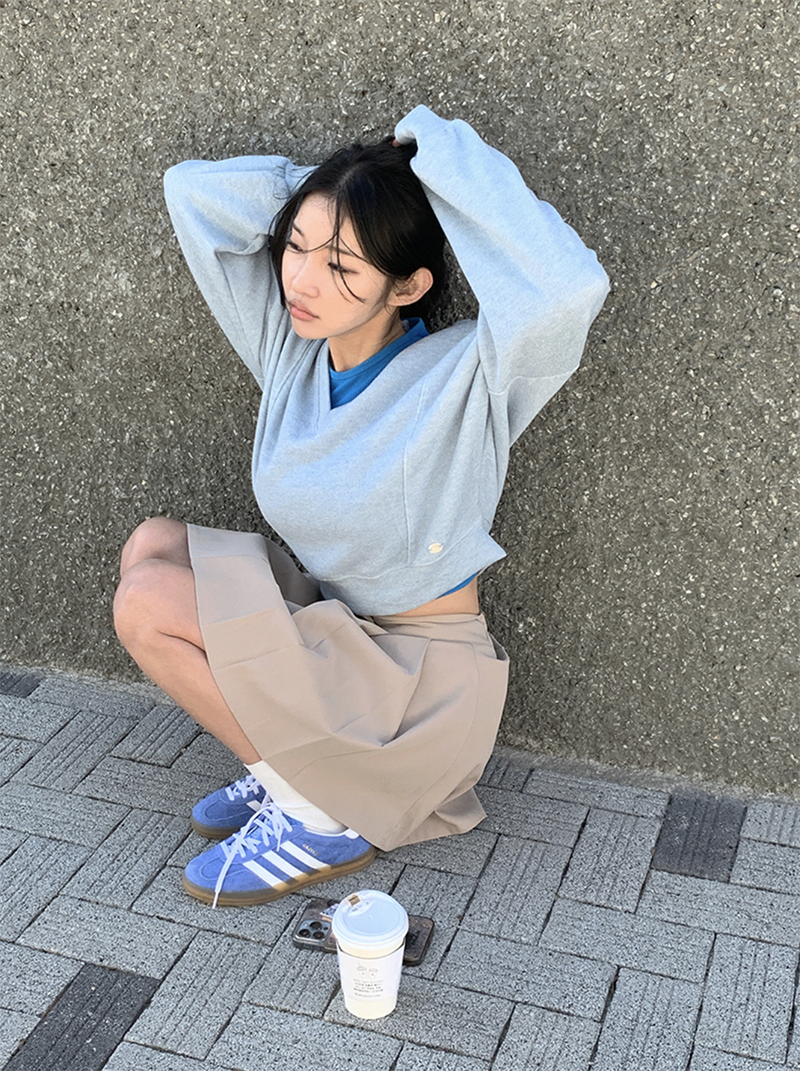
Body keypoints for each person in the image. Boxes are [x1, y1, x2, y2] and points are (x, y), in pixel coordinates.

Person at [113, 105, 609, 908]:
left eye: (342, 266)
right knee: (152, 545)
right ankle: (296, 760)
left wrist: (434, 152)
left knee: (147, 603)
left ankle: (316, 810)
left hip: (416, 692)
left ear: (407, 286)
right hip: (334, 632)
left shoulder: (469, 377)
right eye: (296, 247)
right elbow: (190, 195)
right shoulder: (292, 350)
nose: (303, 280)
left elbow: (568, 289)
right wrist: (346, 182)